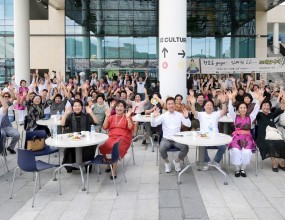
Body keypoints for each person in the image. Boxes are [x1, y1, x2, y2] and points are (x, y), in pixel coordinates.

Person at [227, 91, 263, 177]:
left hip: (247, 138)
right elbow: (230, 109)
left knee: (246, 152)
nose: (243, 109)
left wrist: (258, 100)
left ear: (246, 109)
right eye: (241, 108)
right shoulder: (235, 116)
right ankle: (237, 169)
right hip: (236, 138)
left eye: (244, 108)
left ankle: (243, 169)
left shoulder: (250, 117)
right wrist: (230, 99)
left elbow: (256, 110)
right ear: (238, 109)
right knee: (236, 151)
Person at [151, 97, 191, 173]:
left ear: (175, 105)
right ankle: (167, 162)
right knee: (162, 148)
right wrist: (153, 116)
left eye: (172, 103)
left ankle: (177, 161)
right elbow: (153, 125)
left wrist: (186, 117)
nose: (171, 105)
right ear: (167, 105)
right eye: (169, 104)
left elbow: (188, 125)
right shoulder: (163, 115)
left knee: (185, 148)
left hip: (177, 138)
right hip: (166, 139)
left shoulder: (179, 115)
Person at [188, 92, 228, 170]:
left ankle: (216, 161)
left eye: (211, 105)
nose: (209, 106)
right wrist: (192, 103)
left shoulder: (216, 114)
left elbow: (223, 111)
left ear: (213, 107)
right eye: (207, 105)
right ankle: (208, 161)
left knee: (223, 146)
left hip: (215, 137)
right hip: (204, 137)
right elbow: (193, 112)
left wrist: (223, 102)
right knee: (201, 146)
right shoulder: (201, 114)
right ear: (204, 106)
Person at [61, 99, 99, 173]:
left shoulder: (86, 116)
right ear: (72, 107)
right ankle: (72, 166)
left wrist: (91, 113)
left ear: (82, 107)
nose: (77, 107)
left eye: (79, 105)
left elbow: (96, 122)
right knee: (68, 150)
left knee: (90, 148)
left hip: (85, 140)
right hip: (73, 140)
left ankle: (86, 165)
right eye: (75, 106)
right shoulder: (70, 116)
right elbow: (62, 124)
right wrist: (65, 114)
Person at [99, 100, 134, 179]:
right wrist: (107, 116)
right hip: (112, 136)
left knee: (116, 148)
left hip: (124, 137)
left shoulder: (127, 116)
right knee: (104, 146)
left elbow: (130, 127)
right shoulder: (111, 117)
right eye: (118, 106)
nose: (119, 108)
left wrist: (128, 118)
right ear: (115, 108)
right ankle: (109, 163)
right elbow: (105, 127)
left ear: (124, 108)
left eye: (121, 106)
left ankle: (114, 171)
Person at [256, 97, 285, 172]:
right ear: (261, 106)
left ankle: (281, 163)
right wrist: (258, 102)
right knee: (270, 144)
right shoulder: (259, 115)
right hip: (263, 137)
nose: (266, 107)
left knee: (282, 144)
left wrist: (283, 102)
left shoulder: (271, 115)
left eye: (268, 105)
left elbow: (281, 109)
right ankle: (274, 163)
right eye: (264, 105)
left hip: (274, 135)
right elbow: (254, 112)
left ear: (270, 107)